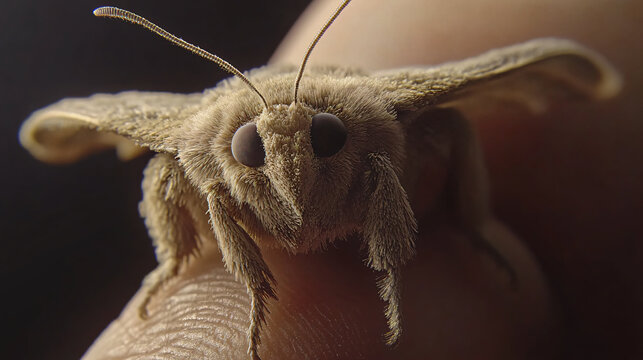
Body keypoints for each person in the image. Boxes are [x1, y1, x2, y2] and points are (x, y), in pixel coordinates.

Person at [83, 0, 642, 358]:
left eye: (325, 140)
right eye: (254, 151)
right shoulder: (202, 146)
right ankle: (189, 267)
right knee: (167, 172)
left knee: (447, 126)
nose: (290, 173)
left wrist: (465, 226)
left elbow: (535, 78)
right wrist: (178, 263)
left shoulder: (371, 133)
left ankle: (459, 232)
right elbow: (162, 170)